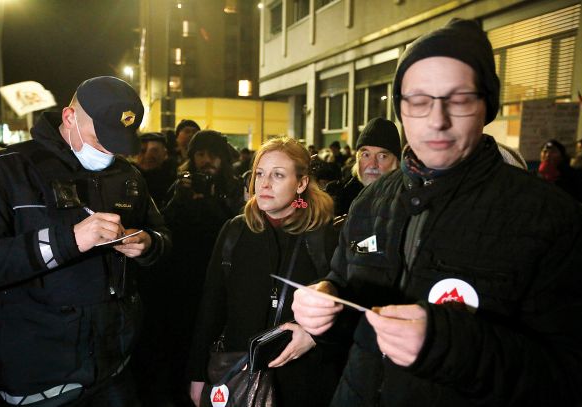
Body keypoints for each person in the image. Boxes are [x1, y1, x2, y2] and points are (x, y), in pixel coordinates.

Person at [292, 18, 582, 406]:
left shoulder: (551, 218)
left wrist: (446, 346)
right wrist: (326, 302)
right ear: (401, 108)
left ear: (487, 106)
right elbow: (345, 288)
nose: (437, 119)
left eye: (460, 98)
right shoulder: (369, 203)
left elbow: (575, 373)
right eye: (418, 100)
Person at [0, 76, 171, 406]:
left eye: (120, 141)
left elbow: (163, 237)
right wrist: (67, 240)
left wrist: (148, 244)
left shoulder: (128, 176)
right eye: (102, 139)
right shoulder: (5, 171)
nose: (110, 151)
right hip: (36, 380)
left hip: (115, 368)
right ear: (70, 118)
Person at [188, 137, 348, 407]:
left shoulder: (324, 236)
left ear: (301, 183)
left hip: (304, 382)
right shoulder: (235, 231)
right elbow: (211, 307)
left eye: (278, 175)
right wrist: (197, 374)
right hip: (239, 375)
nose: (264, 183)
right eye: (259, 173)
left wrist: (315, 337)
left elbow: (344, 311)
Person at [138, 130, 243, 406]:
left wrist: (212, 202)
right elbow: (164, 224)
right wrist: (181, 199)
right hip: (183, 278)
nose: (206, 160)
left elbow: (239, 225)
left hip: (220, 276)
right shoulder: (181, 185)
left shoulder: (233, 187)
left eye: (211, 154)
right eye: (199, 154)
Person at [332, 117, 401, 215]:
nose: (373, 165)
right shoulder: (342, 198)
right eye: (366, 155)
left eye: (382, 156)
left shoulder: (408, 204)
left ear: (397, 162)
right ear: (357, 159)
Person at [135, 132, 178, 207]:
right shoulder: (128, 178)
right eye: (143, 151)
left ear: (165, 154)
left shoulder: (173, 180)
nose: (148, 156)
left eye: (154, 151)